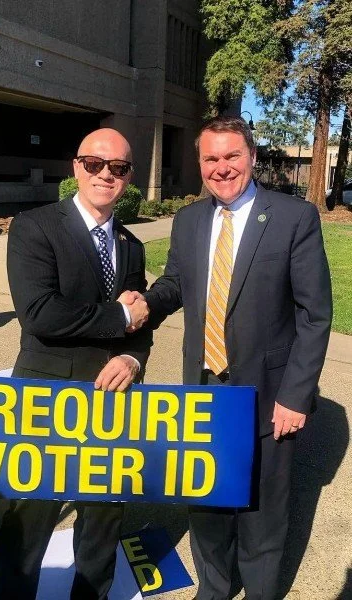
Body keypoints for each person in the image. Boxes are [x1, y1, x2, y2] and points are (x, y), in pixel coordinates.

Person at [139, 116, 332, 599]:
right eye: (211, 158)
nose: (222, 168)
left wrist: (296, 396)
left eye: (232, 156)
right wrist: (145, 303)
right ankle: (214, 589)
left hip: (268, 396)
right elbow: (176, 285)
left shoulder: (293, 218)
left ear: (251, 157)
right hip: (202, 392)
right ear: (199, 163)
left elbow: (315, 315)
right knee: (206, 504)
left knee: (264, 512)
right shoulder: (189, 220)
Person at [0, 128, 151, 600]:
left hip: (114, 402)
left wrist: (132, 357)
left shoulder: (131, 245)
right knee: (29, 522)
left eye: (118, 167)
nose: (106, 174)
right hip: (46, 399)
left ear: (128, 177)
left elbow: (142, 322)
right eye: (94, 163)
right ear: (76, 167)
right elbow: (40, 313)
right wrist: (120, 316)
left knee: (102, 521)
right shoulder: (35, 226)